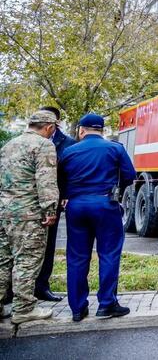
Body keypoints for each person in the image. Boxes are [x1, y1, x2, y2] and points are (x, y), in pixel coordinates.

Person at [59, 113, 136, 322]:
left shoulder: (69, 151)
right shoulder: (115, 148)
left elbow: (60, 178)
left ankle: (77, 308)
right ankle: (106, 304)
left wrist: (68, 194)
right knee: (109, 254)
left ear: (81, 130)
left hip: (76, 206)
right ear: (101, 131)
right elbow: (130, 175)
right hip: (104, 204)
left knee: (76, 257)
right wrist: (114, 189)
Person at [0, 110, 59, 324]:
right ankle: (24, 308)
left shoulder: (9, 145)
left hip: (5, 211)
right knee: (27, 259)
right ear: (49, 127)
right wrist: (50, 210)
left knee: (3, 260)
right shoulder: (44, 145)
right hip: (29, 214)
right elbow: (46, 181)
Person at [34, 106, 77, 303]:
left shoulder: (67, 144)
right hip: (27, 201)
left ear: (55, 123)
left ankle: (42, 286)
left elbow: (70, 174)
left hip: (53, 201)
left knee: (48, 245)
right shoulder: (28, 140)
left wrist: (66, 195)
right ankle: (14, 290)